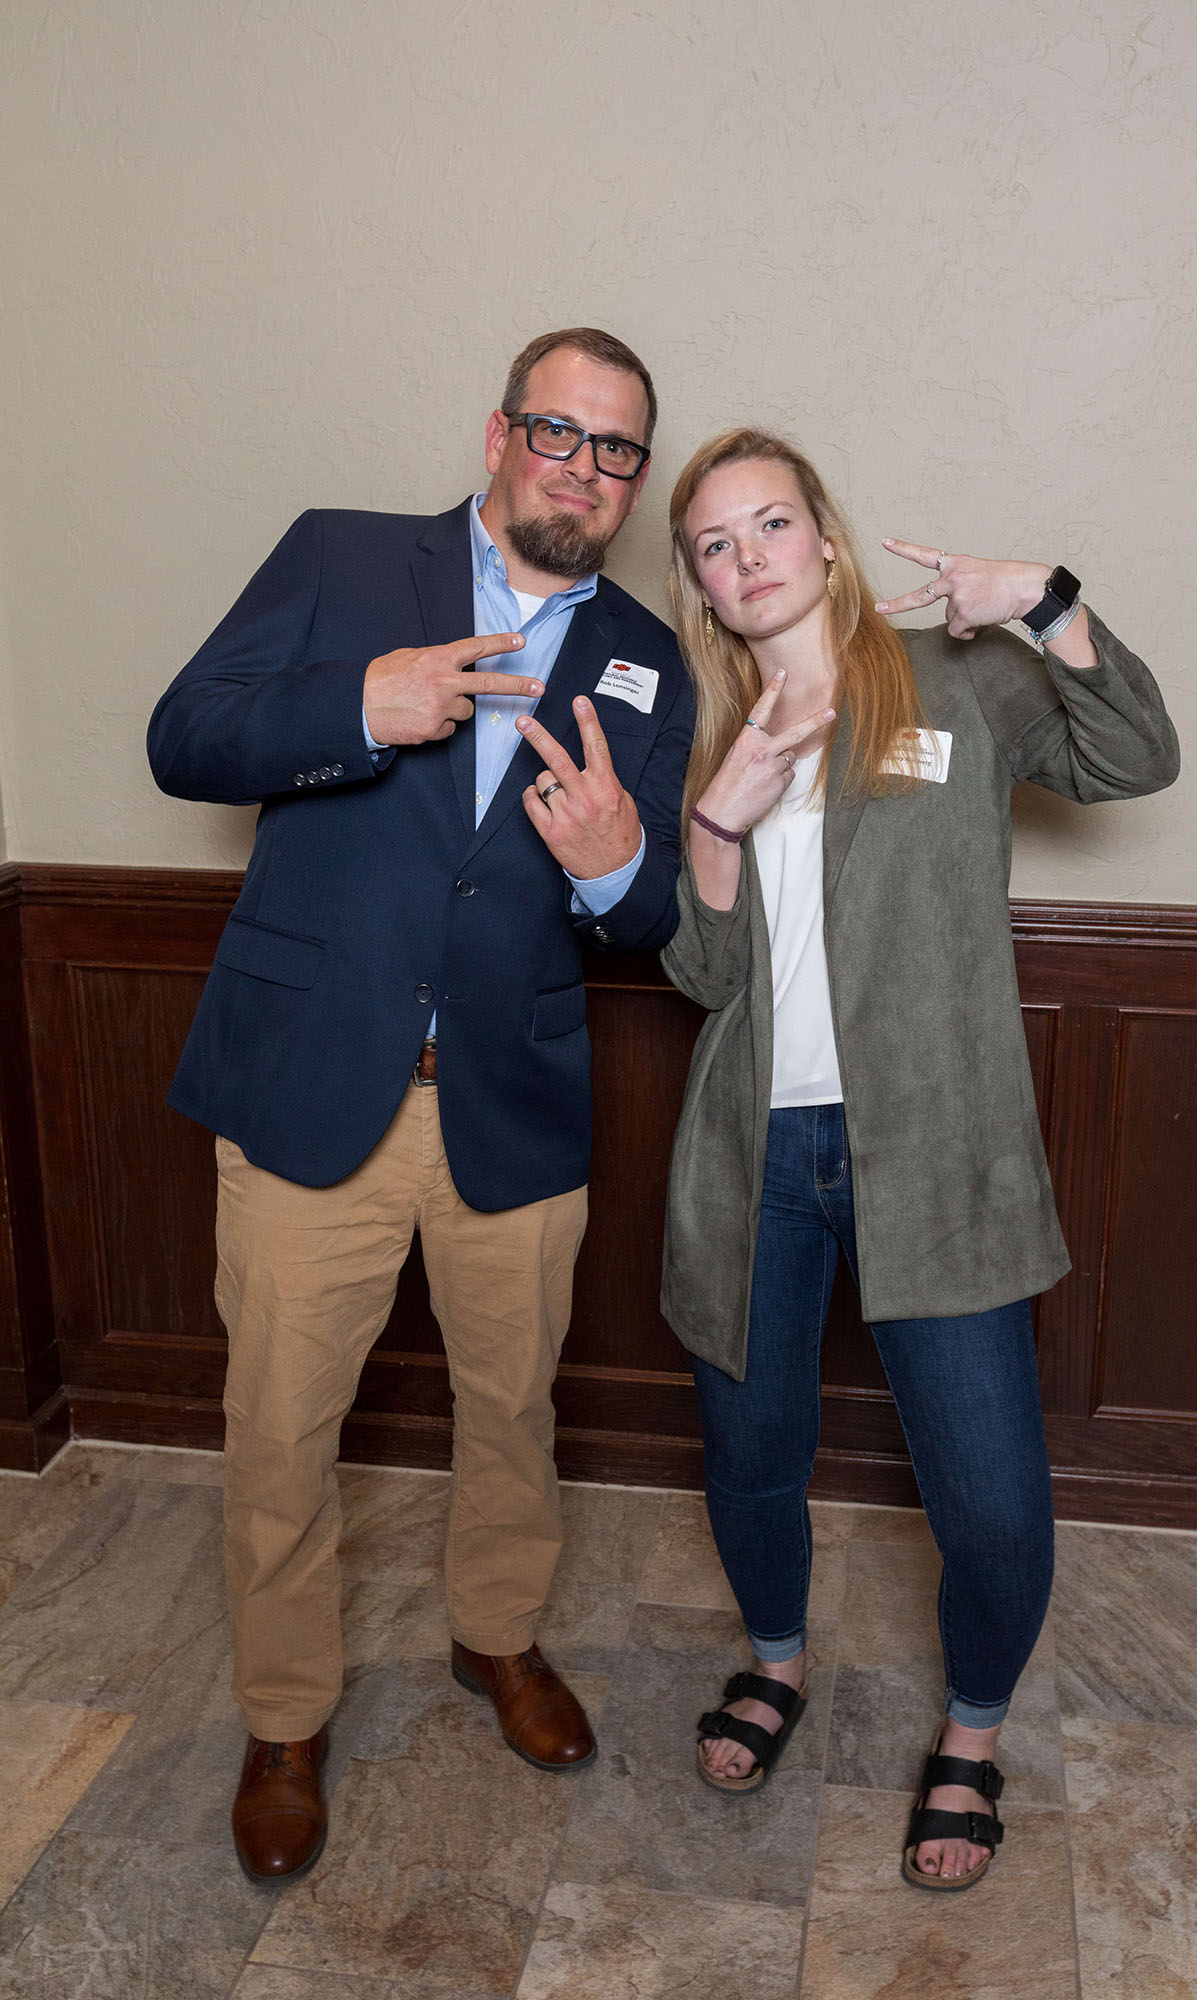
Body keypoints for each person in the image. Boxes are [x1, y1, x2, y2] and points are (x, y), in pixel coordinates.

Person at [147, 328, 693, 1882]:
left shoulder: (646, 649)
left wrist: (610, 870)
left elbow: (649, 911)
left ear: (633, 480)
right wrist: (355, 708)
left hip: (508, 1107)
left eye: (615, 451)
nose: (582, 470)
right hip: (314, 1084)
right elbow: (182, 739)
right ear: (498, 433)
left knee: (512, 1412)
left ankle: (496, 1642)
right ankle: (282, 1718)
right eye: (557, 433)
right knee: (276, 1430)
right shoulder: (343, 559)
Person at [659, 428, 1178, 1889]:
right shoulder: (708, 726)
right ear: (697, 579)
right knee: (750, 1457)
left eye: (769, 523)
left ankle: (969, 1735)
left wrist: (1049, 597)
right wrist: (713, 823)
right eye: (713, 540)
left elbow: (1136, 756)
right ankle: (772, 1660)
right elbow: (704, 976)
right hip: (752, 1155)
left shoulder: (950, 675)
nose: (746, 555)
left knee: (994, 1499)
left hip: (934, 1151)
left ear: (823, 537)